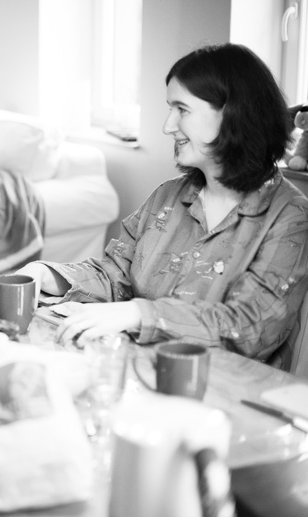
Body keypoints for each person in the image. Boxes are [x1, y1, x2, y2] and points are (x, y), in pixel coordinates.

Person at [17, 43, 308, 367]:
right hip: (138, 374)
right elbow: (116, 273)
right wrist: (48, 274)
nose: (167, 126)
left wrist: (138, 313)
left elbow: (251, 328)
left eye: (182, 110)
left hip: (226, 396)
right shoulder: (168, 197)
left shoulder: (290, 217)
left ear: (233, 114)